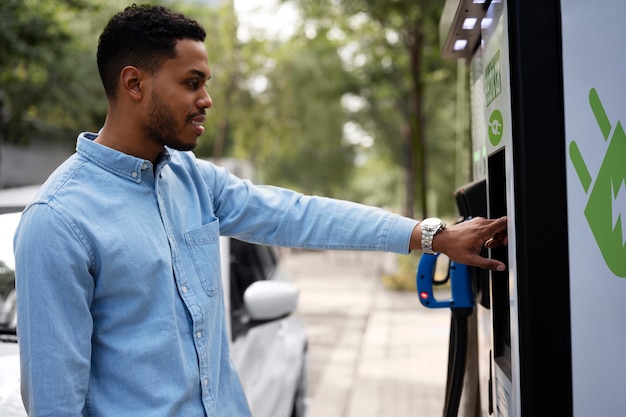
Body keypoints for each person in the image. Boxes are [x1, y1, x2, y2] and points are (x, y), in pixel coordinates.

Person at [13, 5, 507, 417]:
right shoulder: (58, 221)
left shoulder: (191, 180)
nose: (206, 99)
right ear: (134, 83)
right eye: (191, 82)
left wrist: (431, 235)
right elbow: (56, 404)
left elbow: (298, 214)